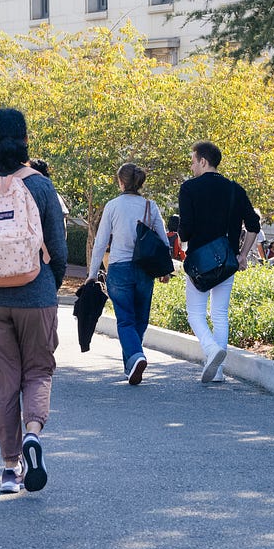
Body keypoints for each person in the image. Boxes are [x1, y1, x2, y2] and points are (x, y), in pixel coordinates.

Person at [0, 108, 67, 493]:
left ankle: (9, 468)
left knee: (3, 379)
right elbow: (58, 245)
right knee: (38, 370)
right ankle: (33, 434)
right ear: (25, 141)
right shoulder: (39, 186)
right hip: (35, 294)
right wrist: (47, 286)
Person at [179, 141, 261, 383]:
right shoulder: (234, 189)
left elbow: (185, 231)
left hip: (199, 263)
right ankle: (218, 371)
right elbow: (254, 225)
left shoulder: (189, 189)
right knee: (220, 314)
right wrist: (243, 254)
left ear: (203, 161)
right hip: (227, 261)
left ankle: (211, 351)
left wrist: (178, 236)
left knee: (195, 312)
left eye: (193, 161)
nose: (192, 166)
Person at [88, 162, 164, 384]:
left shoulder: (112, 206)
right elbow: (162, 239)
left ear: (121, 182)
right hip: (145, 269)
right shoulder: (150, 206)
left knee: (125, 320)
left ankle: (136, 357)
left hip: (119, 269)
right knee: (140, 319)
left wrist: (93, 273)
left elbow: (101, 242)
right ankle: (131, 364)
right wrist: (164, 270)